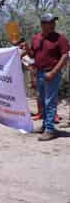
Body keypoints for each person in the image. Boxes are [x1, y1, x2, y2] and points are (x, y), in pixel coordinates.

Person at [22, 13, 69, 141]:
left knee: (50, 101)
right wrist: (26, 48)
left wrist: (53, 72)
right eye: (50, 22)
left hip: (51, 73)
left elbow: (65, 57)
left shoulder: (60, 39)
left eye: (54, 22)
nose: (54, 24)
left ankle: (50, 129)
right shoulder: (36, 38)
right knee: (42, 101)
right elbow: (32, 56)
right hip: (40, 73)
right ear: (43, 25)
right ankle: (44, 126)